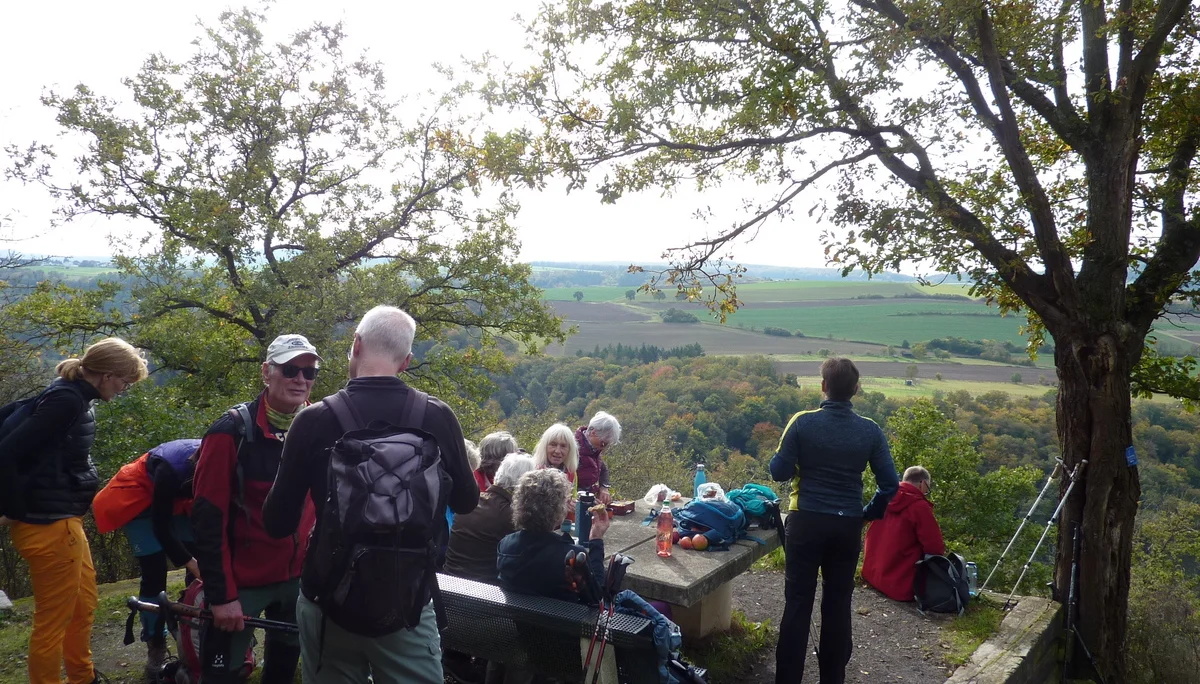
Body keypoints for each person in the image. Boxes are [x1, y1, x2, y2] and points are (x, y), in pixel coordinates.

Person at [263, 306, 479, 683]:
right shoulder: (437, 416)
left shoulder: (313, 420)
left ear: (356, 344)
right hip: (406, 600)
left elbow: (277, 522)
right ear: (407, 361)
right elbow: (466, 501)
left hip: (328, 599)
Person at [0, 337, 148, 684]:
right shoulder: (66, 401)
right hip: (48, 526)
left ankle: (83, 677)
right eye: (126, 381)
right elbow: (6, 452)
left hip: (66, 522)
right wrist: (15, 508)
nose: (126, 388)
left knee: (83, 605)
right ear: (108, 374)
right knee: (53, 622)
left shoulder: (72, 394)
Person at [191, 334, 321, 684]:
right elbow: (207, 519)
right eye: (290, 369)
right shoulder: (229, 432)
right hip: (242, 584)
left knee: (281, 671)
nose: (300, 380)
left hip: (297, 580)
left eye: (310, 373)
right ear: (267, 372)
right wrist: (221, 597)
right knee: (223, 676)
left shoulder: (319, 426)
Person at [769, 357, 899, 684]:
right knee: (838, 605)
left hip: (807, 520)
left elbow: (779, 472)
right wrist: (868, 513)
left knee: (798, 603)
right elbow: (890, 485)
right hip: (847, 526)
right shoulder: (870, 430)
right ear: (855, 389)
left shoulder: (802, 422)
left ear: (823, 386)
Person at [93, 438, 202, 676]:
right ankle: (156, 644)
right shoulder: (170, 469)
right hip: (139, 500)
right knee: (154, 574)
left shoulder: (227, 465)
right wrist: (190, 562)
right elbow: (161, 526)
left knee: (199, 569)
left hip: (181, 500)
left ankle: (195, 637)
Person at [497, 468, 610, 603]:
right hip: (566, 623)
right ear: (558, 509)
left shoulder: (506, 545)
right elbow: (597, 597)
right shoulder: (571, 556)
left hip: (519, 622)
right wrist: (596, 540)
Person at [445, 452, 536, 583]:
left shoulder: (471, 502)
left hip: (448, 586)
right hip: (485, 594)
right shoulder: (512, 515)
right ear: (524, 485)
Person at [861, 466, 946, 602]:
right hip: (898, 585)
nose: (926, 492)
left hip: (871, 573)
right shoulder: (919, 506)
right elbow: (935, 547)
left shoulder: (884, 496)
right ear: (922, 483)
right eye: (927, 489)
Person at [574, 411, 620, 504]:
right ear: (593, 432)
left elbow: (603, 468)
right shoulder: (572, 448)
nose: (604, 448)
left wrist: (604, 488)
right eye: (603, 443)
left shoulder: (593, 449)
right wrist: (585, 497)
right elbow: (564, 480)